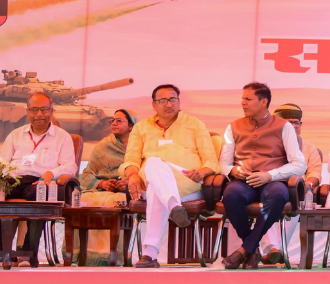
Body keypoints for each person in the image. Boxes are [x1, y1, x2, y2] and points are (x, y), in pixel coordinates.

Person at [120, 84, 219, 268]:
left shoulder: (194, 124)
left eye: (173, 99)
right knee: (154, 165)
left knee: (155, 184)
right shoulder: (141, 128)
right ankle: (173, 206)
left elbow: (211, 161)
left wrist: (202, 172)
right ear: (154, 105)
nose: (169, 104)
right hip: (152, 180)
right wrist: (132, 175)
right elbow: (131, 159)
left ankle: (150, 254)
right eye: (163, 100)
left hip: (187, 181)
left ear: (179, 102)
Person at [218, 83, 305, 269]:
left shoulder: (284, 127)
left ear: (264, 102)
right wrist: (233, 171)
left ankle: (244, 249)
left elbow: (299, 164)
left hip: (272, 181)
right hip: (243, 181)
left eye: (248, 99)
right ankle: (252, 249)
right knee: (231, 195)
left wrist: (270, 175)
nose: (243, 103)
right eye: (243, 99)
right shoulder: (233, 127)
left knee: (278, 195)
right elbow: (223, 164)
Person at [0, 92, 77, 262]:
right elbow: (2, 162)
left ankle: (28, 254)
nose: (39, 114)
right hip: (15, 180)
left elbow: (70, 166)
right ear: (27, 112)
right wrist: (5, 176)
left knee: (39, 195)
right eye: (34, 110)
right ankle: (1, 252)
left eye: (44, 109)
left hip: (42, 182)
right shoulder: (15, 135)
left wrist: (50, 174)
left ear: (52, 111)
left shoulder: (62, 137)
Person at [260, 103, 324, 265]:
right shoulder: (267, 147)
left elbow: (315, 172)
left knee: (297, 201)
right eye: (290, 123)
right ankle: (276, 249)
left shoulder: (309, 149)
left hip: (297, 193)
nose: (294, 126)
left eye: (297, 123)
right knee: (266, 203)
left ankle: (274, 250)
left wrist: (308, 184)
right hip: (272, 191)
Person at [79, 109, 135, 192]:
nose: (114, 123)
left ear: (131, 125)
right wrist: (102, 184)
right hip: (105, 192)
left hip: (134, 190)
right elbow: (86, 175)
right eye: (113, 120)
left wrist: (129, 183)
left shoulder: (141, 146)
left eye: (119, 120)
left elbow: (147, 174)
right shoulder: (104, 145)